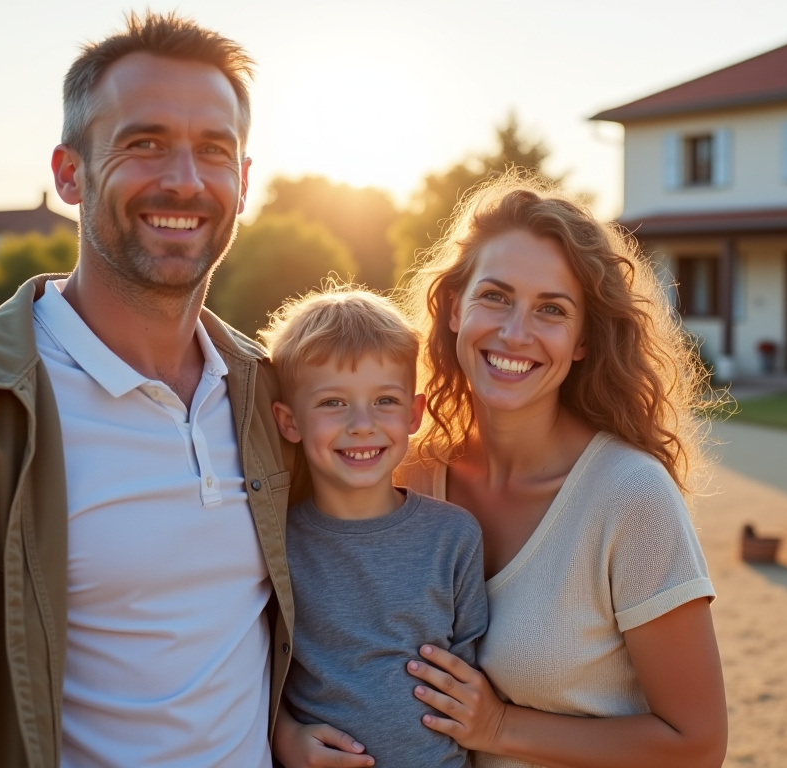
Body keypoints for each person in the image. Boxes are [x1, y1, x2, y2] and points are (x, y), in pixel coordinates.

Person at [0, 13, 298, 767]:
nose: (184, 179)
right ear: (69, 172)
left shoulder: (267, 394)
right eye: (144, 143)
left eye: (214, 150)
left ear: (243, 180)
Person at [393, 174, 729, 767]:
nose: (515, 333)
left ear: (580, 341)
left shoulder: (629, 496)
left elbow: (698, 745)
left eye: (551, 310)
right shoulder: (406, 477)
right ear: (452, 308)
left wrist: (499, 727)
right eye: (495, 296)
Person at [263, 287, 489, 768]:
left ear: (413, 414)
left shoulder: (454, 538)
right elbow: (254, 670)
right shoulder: (273, 543)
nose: (362, 424)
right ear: (289, 422)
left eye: (384, 400)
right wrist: (285, 737)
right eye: (332, 403)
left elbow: (472, 681)